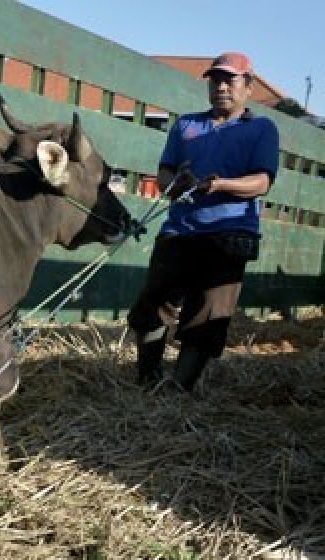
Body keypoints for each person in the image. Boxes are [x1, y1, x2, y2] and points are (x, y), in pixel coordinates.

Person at [127, 52, 280, 391]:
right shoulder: (186, 125)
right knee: (154, 302)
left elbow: (262, 182)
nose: (222, 86)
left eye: (230, 79)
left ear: (248, 86)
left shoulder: (261, 129)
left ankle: (180, 389)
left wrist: (221, 184)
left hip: (229, 233)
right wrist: (173, 184)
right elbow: (165, 170)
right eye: (216, 80)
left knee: (207, 314)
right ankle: (147, 379)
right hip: (181, 229)